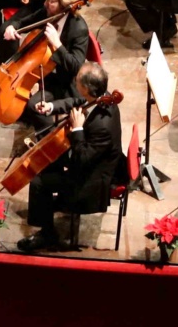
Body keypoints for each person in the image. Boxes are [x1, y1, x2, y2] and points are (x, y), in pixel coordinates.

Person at [18, 62, 124, 254]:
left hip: (92, 181)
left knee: (38, 182)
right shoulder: (101, 97)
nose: (75, 80)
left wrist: (77, 129)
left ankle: (47, 233)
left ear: (87, 88)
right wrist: (51, 106)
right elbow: (77, 102)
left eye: (78, 81)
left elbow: (82, 159)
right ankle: (47, 211)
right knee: (46, 161)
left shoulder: (103, 126)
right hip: (88, 160)